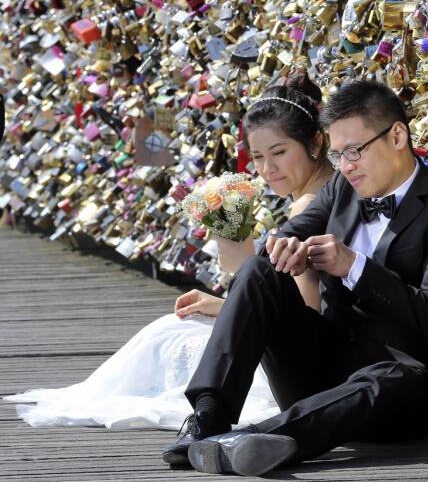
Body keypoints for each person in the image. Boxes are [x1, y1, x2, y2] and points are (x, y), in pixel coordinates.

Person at [163, 80, 428, 477]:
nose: (346, 165)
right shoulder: (341, 187)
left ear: (398, 136)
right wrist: (283, 245)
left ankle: (254, 440)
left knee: (395, 377)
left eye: (354, 151)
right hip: (319, 369)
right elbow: (293, 230)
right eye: (337, 156)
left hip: (396, 389)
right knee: (259, 269)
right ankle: (209, 419)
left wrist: (354, 266)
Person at [5, 73, 334, 430]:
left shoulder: (308, 206)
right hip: (300, 334)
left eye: (279, 153)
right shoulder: (322, 190)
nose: (268, 169)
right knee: (175, 329)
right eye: (257, 157)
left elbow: (306, 310)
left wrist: (227, 306)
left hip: (304, 354)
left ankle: (208, 410)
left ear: (315, 143)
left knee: (169, 335)